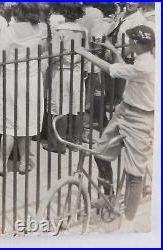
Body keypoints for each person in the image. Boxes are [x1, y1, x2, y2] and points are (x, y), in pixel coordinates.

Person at [76, 25, 155, 231]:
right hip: (123, 111)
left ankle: (128, 223)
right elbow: (123, 70)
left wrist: (84, 53)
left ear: (136, 44)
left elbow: (111, 70)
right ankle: (108, 195)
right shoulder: (143, 58)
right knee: (100, 153)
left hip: (140, 119)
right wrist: (112, 49)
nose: (127, 43)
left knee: (134, 174)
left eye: (129, 41)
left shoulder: (146, 66)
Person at [0, 2, 45, 176]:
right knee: (26, 121)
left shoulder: (8, 32)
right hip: (32, 80)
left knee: (9, 122)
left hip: (11, 80)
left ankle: (1, 162)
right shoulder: (40, 30)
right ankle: (24, 162)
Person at [43, 2, 88, 154]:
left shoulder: (60, 31)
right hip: (77, 72)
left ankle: (59, 143)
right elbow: (86, 53)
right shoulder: (83, 31)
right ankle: (75, 140)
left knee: (60, 107)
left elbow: (55, 55)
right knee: (76, 106)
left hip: (62, 72)